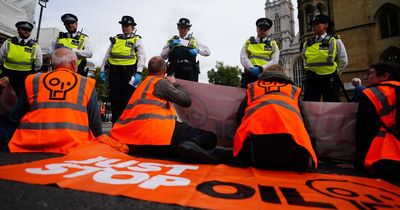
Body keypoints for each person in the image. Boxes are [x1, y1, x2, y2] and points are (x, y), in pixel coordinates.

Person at [110, 56, 218, 163]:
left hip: (135, 141)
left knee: (176, 143)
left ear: (148, 70)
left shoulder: (142, 85)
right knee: (210, 137)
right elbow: (186, 101)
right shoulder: (161, 83)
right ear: (165, 70)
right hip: (159, 136)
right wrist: (174, 83)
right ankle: (190, 144)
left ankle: (182, 148)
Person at [8, 48, 102, 154]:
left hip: (30, 144)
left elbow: (14, 116)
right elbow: (95, 123)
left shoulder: (33, 80)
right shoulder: (86, 83)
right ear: (74, 64)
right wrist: (98, 144)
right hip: (73, 146)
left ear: (53, 64)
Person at [234, 65, 317, 170]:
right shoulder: (293, 90)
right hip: (294, 152)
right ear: (284, 74)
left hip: (253, 152)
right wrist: (313, 151)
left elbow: (239, 117)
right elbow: (307, 125)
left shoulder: (253, 88)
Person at [355, 62, 400, 177]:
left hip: (384, 159)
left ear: (384, 76)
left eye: (370, 74)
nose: (365, 77)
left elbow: (363, 131)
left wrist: (358, 162)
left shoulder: (371, 94)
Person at [100, 15, 146, 124]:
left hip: (129, 73)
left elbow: (142, 57)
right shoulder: (116, 39)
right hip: (114, 72)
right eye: (123, 25)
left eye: (127, 26)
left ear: (132, 27)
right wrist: (102, 69)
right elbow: (107, 55)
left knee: (128, 99)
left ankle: (126, 125)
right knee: (115, 99)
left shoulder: (136, 39)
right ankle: (116, 125)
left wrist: (139, 72)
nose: (124, 28)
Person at [301, 15, 348, 102]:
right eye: (312, 25)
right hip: (312, 79)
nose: (313, 27)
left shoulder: (334, 40)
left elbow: (343, 60)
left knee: (332, 106)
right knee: (310, 106)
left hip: (330, 78)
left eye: (317, 24)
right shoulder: (307, 43)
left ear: (326, 25)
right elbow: (304, 59)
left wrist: (335, 74)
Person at [0, 21, 42, 97]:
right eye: (24, 29)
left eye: (29, 30)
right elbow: (1, 58)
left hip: (25, 76)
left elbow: (38, 64)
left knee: (23, 97)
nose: (26, 31)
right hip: (7, 74)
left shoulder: (35, 46)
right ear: (18, 30)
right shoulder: (8, 42)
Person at [161, 18, 210, 82]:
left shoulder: (194, 41)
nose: (183, 30)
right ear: (178, 28)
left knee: (189, 91)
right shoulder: (172, 40)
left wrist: (197, 50)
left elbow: (208, 52)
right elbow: (163, 56)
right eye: (181, 28)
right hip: (174, 72)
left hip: (190, 73)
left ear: (189, 29)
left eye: (185, 28)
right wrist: (170, 47)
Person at [240, 18, 279, 88]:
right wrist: (251, 68)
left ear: (269, 31)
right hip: (250, 75)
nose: (263, 31)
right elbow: (243, 56)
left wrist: (262, 69)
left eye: (265, 29)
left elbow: (275, 60)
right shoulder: (248, 42)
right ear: (257, 29)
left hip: (266, 75)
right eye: (261, 29)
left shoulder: (273, 44)